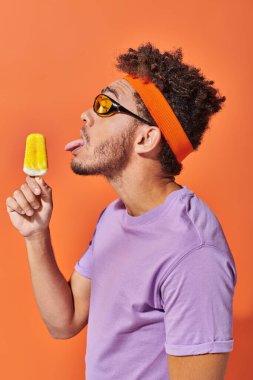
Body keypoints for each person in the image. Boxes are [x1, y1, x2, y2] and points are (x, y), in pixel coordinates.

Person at [6, 42, 237, 380]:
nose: (86, 115)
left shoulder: (193, 253)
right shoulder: (116, 215)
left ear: (146, 139)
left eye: (105, 105)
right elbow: (64, 321)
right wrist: (36, 234)